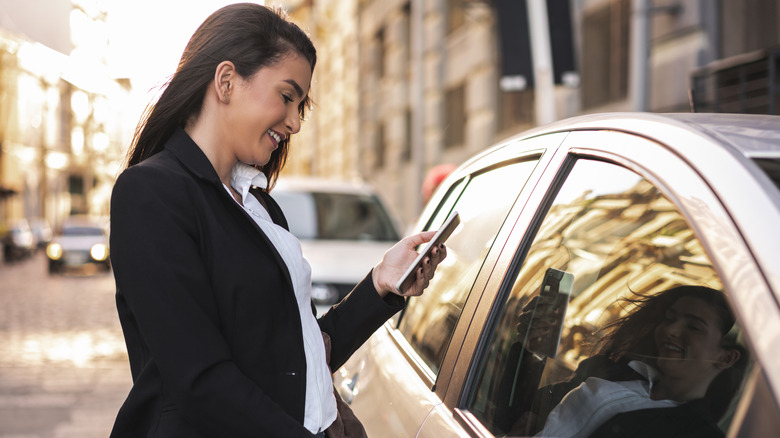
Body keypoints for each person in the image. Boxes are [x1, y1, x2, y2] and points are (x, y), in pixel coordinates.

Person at [108, 4, 446, 438]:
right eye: (287, 97)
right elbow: (201, 380)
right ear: (226, 81)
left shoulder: (261, 207)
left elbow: (298, 357)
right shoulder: (151, 194)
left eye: (300, 105)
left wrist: (381, 283)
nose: (294, 122)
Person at [496, 285, 748, 438]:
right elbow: (510, 416)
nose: (671, 330)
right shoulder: (610, 371)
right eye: (669, 318)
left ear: (726, 357)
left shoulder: (697, 434)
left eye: (693, 326)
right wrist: (532, 350)